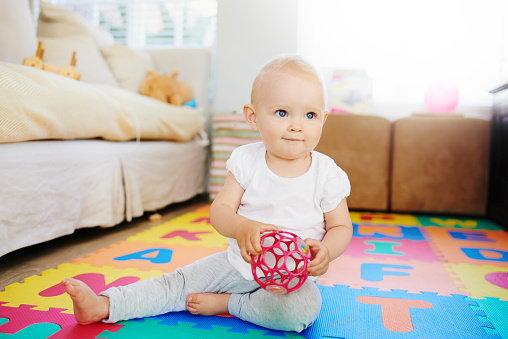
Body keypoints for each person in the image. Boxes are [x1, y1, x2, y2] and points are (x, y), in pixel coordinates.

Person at [61, 54, 353, 333]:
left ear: (323, 120)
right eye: (281, 112)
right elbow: (220, 211)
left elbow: (340, 226)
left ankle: (231, 304)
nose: (296, 125)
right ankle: (105, 305)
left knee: (303, 311)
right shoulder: (246, 161)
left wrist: (327, 251)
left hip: (289, 279)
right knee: (177, 283)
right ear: (253, 116)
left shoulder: (326, 174)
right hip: (237, 264)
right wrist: (241, 227)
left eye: (310, 115)